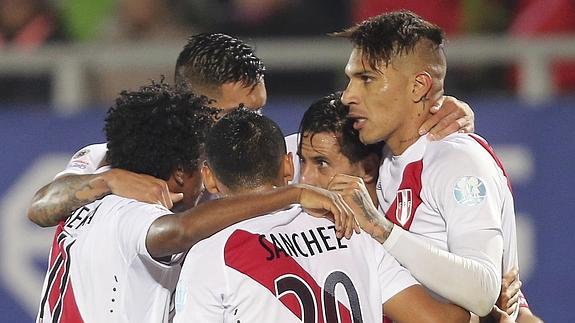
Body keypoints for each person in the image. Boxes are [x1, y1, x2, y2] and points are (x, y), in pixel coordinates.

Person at [27, 32, 475, 229]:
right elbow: (41, 207)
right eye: (236, 112)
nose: (254, 124)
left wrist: (437, 109)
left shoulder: (279, 160)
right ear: (194, 108)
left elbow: (366, 148)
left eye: (259, 109)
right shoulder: (125, 156)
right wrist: (105, 181)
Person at [36, 82, 353, 322]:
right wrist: (291, 194)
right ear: (178, 173)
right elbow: (180, 230)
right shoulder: (131, 212)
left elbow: (46, 203)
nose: (205, 176)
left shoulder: (95, 177)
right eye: (200, 163)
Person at [173, 108, 470, 322]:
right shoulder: (349, 228)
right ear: (289, 166)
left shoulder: (213, 255)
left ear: (209, 178)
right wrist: (488, 303)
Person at [327, 10, 522, 318]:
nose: (348, 96)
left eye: (366, 79)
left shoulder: (457, 160)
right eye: (350, 79)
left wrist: (382, 230)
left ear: (418, 86)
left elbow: (483, 290)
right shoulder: (381, 155)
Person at [298, 92, 538, 322]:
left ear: (369, 169)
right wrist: (486, 314)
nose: (304, 180)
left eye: (321, 164)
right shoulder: (300, 203)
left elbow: (515, 312)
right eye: (301, 160)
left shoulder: (405, 227)